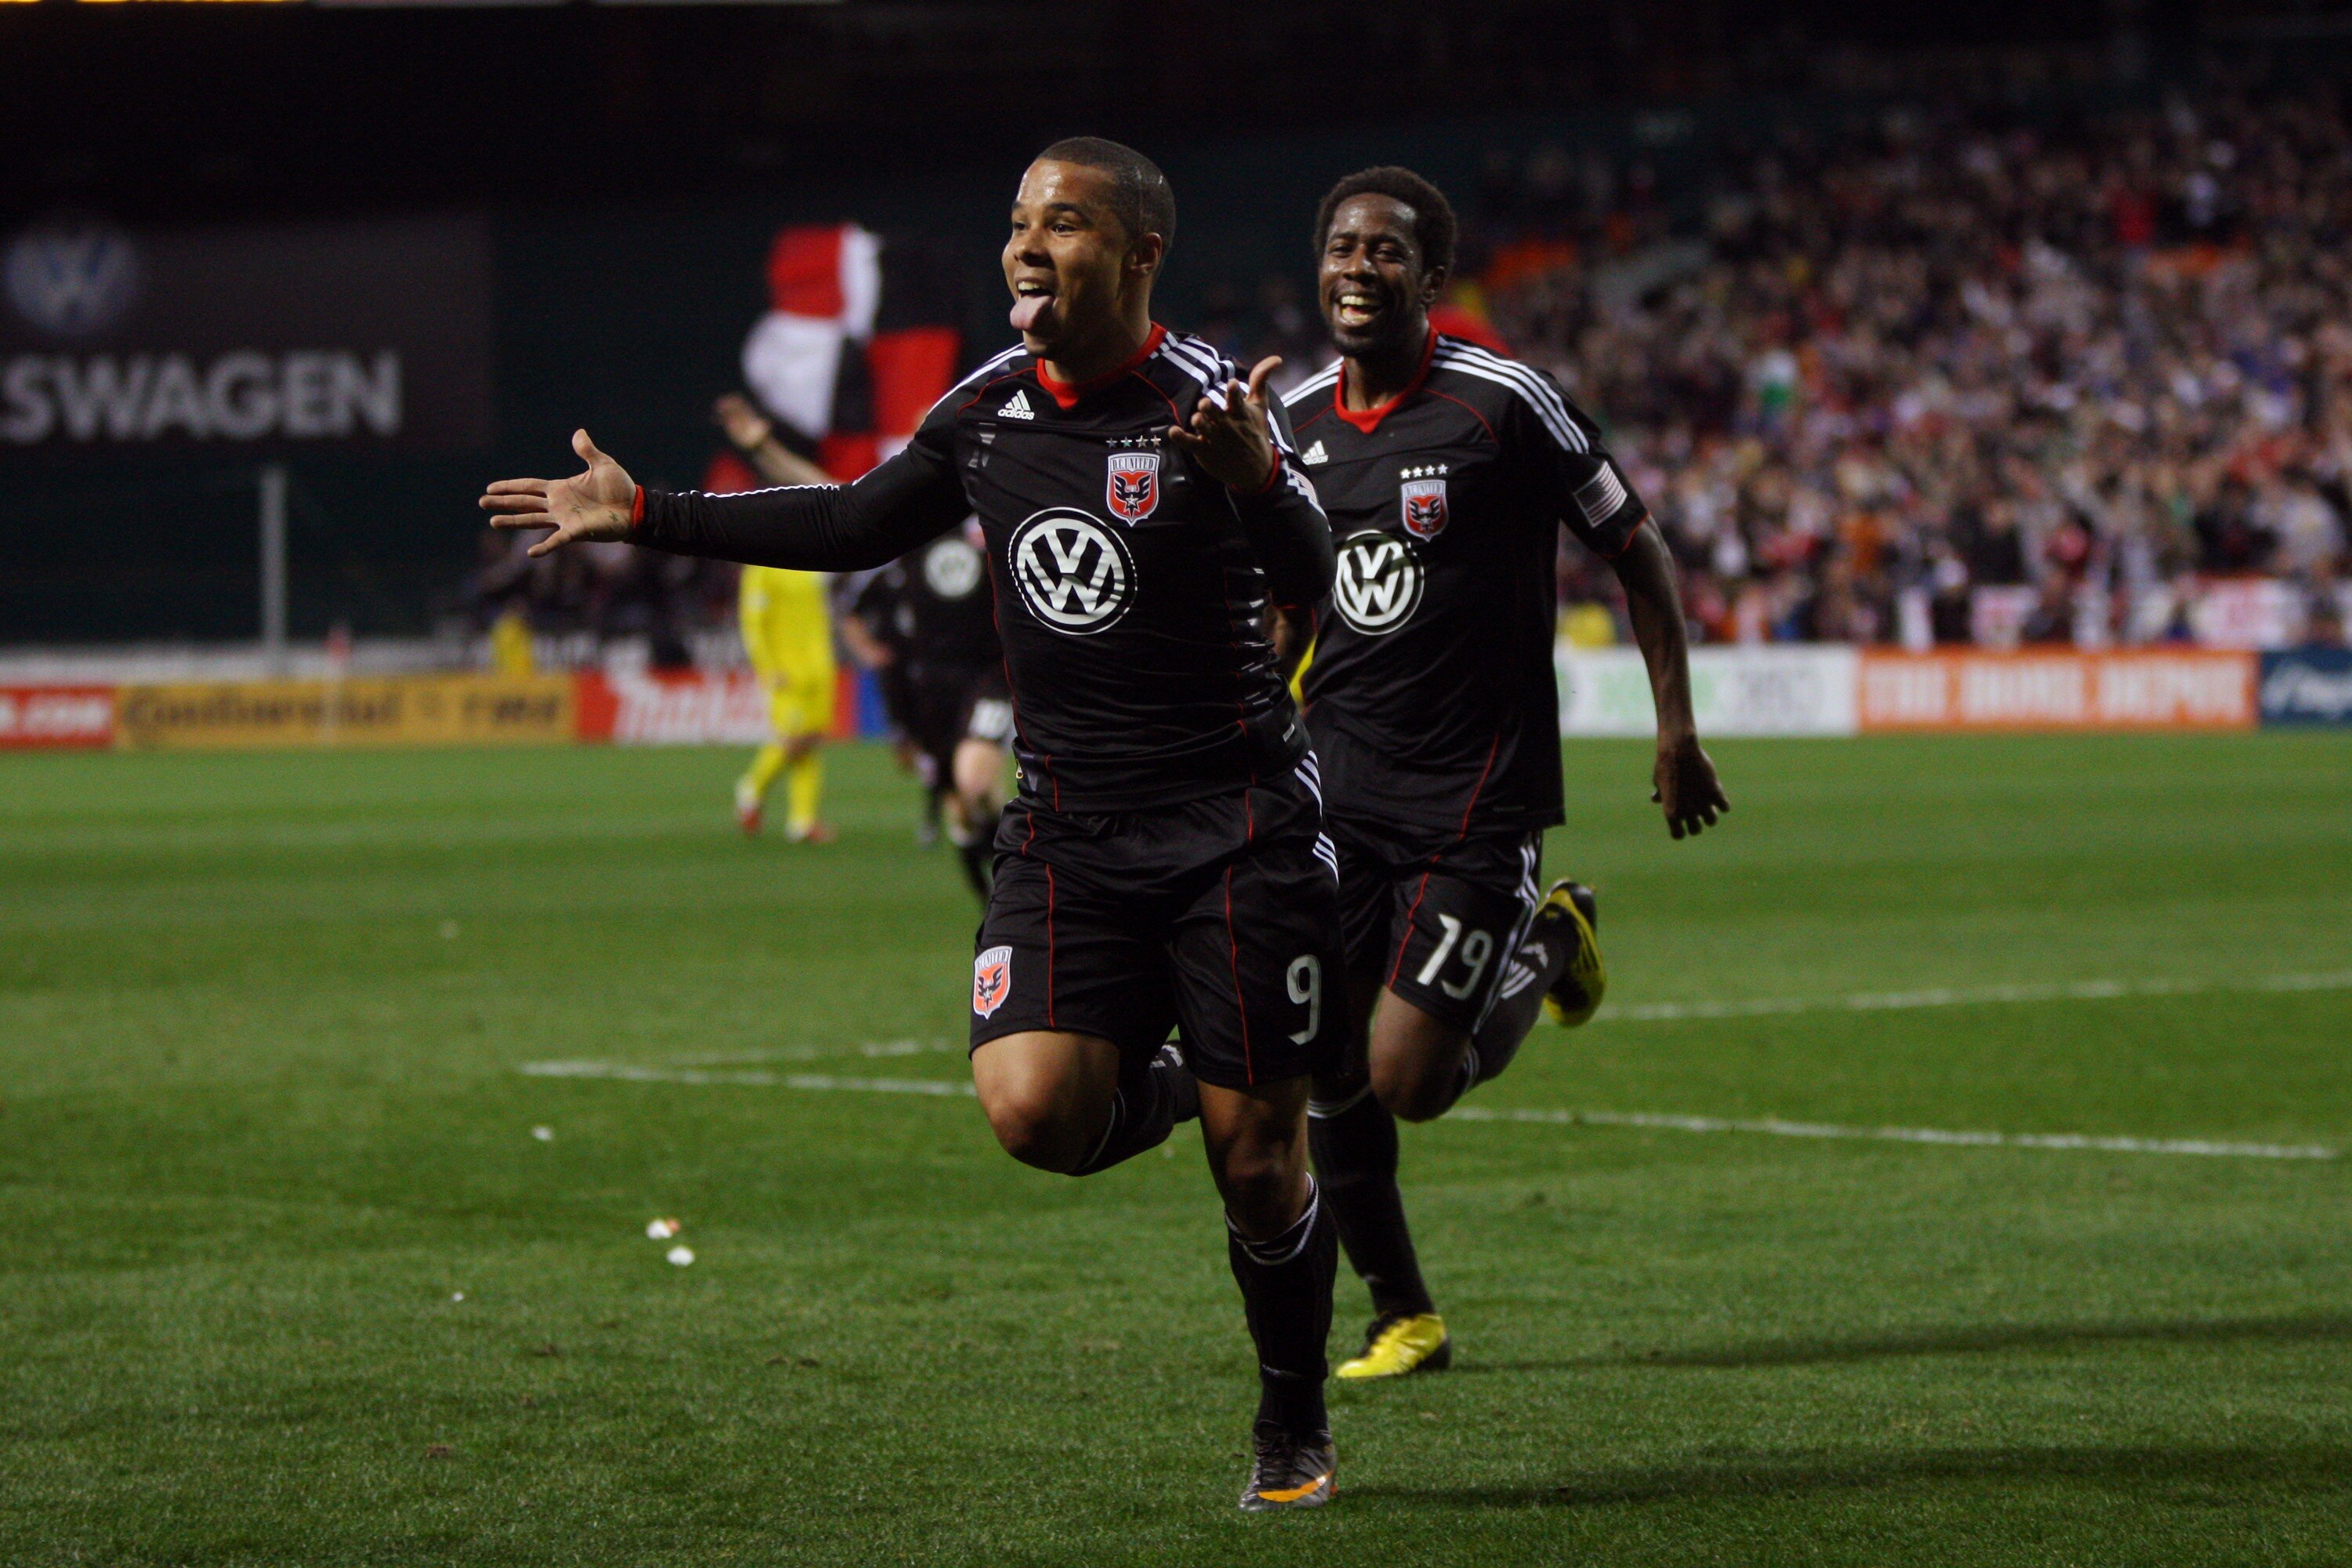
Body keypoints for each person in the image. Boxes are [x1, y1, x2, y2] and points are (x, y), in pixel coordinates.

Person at [483, 139, 1348, 1512]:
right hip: (1067, 827)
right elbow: (850, 520)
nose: (1026, 244)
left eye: (1062, 222)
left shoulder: (1210, 404)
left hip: (1231, 822)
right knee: (1033, 1114)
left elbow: (1318, 578)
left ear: (1138, 254)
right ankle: (1188, 1080)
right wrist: (645, 512)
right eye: (1018, 220)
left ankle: (1292, 1423)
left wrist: (1254, 480)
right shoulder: (989, 408)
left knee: (1263, 1165)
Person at [1281, 167, 1726, 1379]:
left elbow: (1639, 557)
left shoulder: (1506, 402)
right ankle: (1403, 1316)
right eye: (1340, 246)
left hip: (1477, 793)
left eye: (1386, 253)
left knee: (1407, 1080)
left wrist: (1673, 729)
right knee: (1325, 1064)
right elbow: (1264, 597)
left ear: (1431, 282)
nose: (1357, 268)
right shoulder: (1293, 420)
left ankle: (1547, 942)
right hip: (1334, 793)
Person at [714, 394, 843, 842]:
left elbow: (832, 495)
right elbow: (752, 623)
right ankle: (751, 787)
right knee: (794, 741)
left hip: (818, 664)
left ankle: (802, 820)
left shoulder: (808, 556)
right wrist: (768, 669)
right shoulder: (760, 564)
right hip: (787, 668)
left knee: (812, 742)